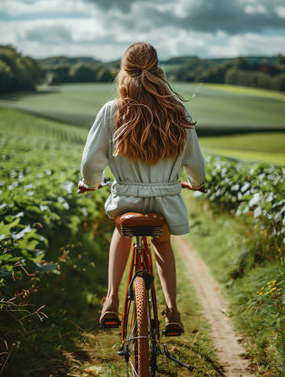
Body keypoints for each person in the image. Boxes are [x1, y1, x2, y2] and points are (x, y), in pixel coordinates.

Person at [78, 42, 205, 333]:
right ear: (158, 70)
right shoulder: (177, 111)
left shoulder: (112, 111)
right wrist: (197, 184)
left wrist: (91, 183)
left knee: (121, 232)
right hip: (166, 202)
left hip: (126, 198)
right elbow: (195, 161)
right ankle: (172, 311)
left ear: (123, 71)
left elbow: (90, 162)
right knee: (162, 244)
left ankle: (110, 300)